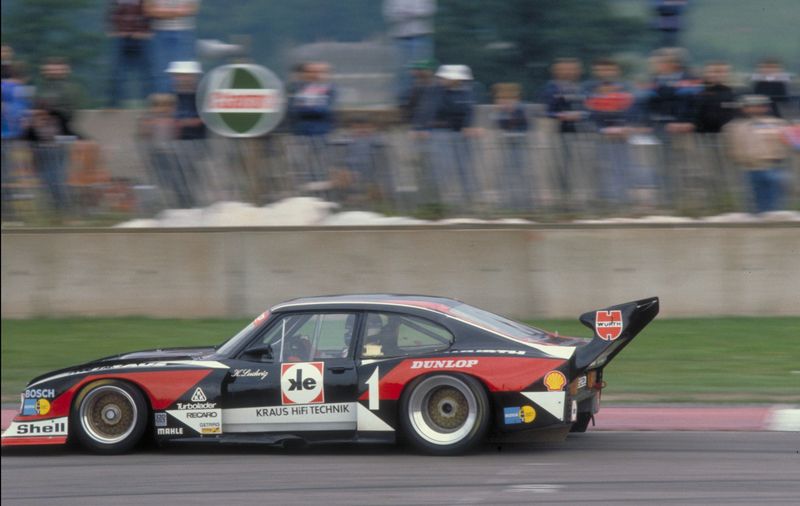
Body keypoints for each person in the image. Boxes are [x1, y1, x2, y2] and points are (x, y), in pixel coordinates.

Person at [643, 47, 702, 207]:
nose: (656, 65)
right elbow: (649, 105)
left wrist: (688, 122)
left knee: (689, 164)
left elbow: (696, 104)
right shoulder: (654, 81)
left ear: (673, 63)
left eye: (660, 62)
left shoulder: (691, 80)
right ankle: (668, 198)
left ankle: (691, 199)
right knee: (664, 164)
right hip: (663, 129)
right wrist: (653, 122)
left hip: (687, 130)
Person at [584, 58, 637, 211]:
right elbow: (587, 112)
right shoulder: (588, 89)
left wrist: (627, 128)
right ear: (595, 71)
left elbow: (633, 109)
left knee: (622, 166)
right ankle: (603, 199)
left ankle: (622, 199)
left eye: (609, 69)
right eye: (601, 70)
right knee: (600, 167)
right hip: (598, 136)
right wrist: (600, 130)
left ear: (616, 71)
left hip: (622, 135)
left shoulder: (626, 87)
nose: (605, 73)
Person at [724, 95, 791, 214]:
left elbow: (786, 143)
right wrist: (739, 158)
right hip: (749, 168)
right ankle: (758, 219)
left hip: (772, 166)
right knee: (754, 200)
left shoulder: (778, 124)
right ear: (743, 108)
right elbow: (733, 145)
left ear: (766, 107)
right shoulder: (736, 126)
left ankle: (774, 219)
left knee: (774, 200)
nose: (755, 109)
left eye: (760, 106)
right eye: (751, 106)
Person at [541, 58, 587, 210]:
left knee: (580, 166)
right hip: (559, 131)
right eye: (564, 69)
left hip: (581, 131)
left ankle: (577, 197)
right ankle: (562, 196)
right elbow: (547, 110)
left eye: (571, 69)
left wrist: (581, 115)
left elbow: (589, 108)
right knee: (560, 166)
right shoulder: (551, 87)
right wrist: (561, 115)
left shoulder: (582, 87)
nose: (568, 72)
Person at [693, 62, 737, 209]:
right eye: (712, 72)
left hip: (727, 137)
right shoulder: (700, 93)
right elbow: (696, 114)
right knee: (708, 169)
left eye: (720, 72)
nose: (716, 75)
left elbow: (735, 114)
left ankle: (729, 199)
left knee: (728, 169)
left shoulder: (732, 93)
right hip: (705, 137)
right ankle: (713, 200)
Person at [138, 93, 193, 208]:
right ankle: (160, 204)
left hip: (172, 155)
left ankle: (183, 202)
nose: (165, 109)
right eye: (160, 105)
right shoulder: (150, 121)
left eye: (169, 106)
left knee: (177, 181)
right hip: (158, 155)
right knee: (163, 180)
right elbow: (145, 135)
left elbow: (176, 135)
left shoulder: (173, 121)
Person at [288, 62, 337, 186]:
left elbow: (325, 110)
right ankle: (302, 188)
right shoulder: (297, 88)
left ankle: (318, 190)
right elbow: (292, 109)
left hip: (320, 133)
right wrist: (307, 108)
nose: (314, 74)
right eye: (310, 72)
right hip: (300, 132)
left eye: (317, 72)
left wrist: (305, 108)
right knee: (300, 165)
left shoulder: (328, 88)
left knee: (320, 165)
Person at [383, 0, 437, 105]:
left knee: (422, 69)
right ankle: (403, 100)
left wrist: (413, 12)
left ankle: (423, 99)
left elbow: (429, 9)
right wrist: (404, 14)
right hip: (400, 36)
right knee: (402, 70)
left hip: (421, 35)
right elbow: (389, 13)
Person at [167, 61, 206, 205]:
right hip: (176, 140)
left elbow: (205, 118)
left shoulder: (200, 96)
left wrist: (183, 123)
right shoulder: (172, 96)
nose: (182, 79)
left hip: (196, 140)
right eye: (179, 76)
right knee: (176, 173)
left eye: (185, 76)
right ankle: (182, 201)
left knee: (189, 172)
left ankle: (189, 201)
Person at [24, 104, 71, 216]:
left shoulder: (54, 122)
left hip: (55, 158)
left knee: (56, 182)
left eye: (41, 114)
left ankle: (62, 208)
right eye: (37, 115)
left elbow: (61, 137)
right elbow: (28, 139)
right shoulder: (32, 126)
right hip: (42, 161)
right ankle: (55, 209)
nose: (40, 117)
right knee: (48, 183)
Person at [492, 82, 532, 211]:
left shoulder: (521, 108)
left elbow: (526, 124)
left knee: (519, 171)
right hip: (507, 143)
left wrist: (511, 112)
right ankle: (509, 200)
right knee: (508, 171)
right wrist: (503, 111)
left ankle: (522, 200)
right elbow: (499, 123)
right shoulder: (500, 109)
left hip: (519, 142)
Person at [146, 0, 200, 93]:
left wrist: (163, 13)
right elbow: (150, 10)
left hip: (184, 31)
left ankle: (184, 98)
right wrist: (178, 12)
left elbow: (191, 9)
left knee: (185, 70)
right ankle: (164, 97)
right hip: (159, 32)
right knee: (160, 70)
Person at [107, 0, 153, 108]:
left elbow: (150, 11)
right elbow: (112, 10)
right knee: (116, 73)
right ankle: (114, 105)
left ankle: (150, 106)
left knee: (146, 74)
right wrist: (112, 29)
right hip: (120, 35)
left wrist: (147, 30)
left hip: (142, 36)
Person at [37, 57, 83, 138]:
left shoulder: (71, 89)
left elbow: (70, 112)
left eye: (57, 70)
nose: (54, 72)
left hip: (62, 129)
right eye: (51, 70)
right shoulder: (41, 88)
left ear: (66, 70)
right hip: (44, 130)